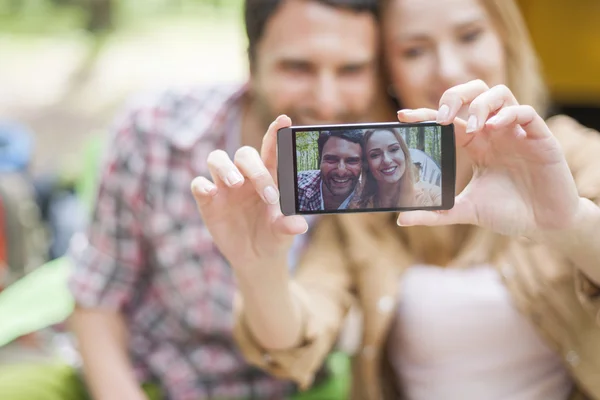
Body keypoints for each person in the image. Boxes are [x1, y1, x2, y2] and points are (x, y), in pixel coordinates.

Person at [191, 1, 600, 400]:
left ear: (506, 40)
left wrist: (571, 224)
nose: (449, 69)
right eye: (414, 50)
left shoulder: (573, 156)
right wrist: (259, 269)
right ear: (388, 72)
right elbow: (297, 335)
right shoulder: (365, 198)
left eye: (470, 35)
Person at [0, 1, 383, 399]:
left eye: (351, 70)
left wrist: (260, 267)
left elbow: (306, 332)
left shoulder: (378, 176)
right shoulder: (153, 132)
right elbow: (98, 297)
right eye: (297, 68)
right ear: (251, 64)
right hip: (146, 375)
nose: (325, 100)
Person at [348, 128, 415, 209]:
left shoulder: (431, 197)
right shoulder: (357, 207)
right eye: (375, 155)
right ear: (366, 164)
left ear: (404, 152)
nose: (387, 160)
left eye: (393, 149)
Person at [297, 130, 363, 211]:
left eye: (352, 161)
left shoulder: (371, 200)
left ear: (363, 164)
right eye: (331, 159)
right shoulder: (296, 185)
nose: (341, 172)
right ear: (320, 160)